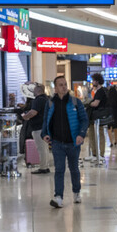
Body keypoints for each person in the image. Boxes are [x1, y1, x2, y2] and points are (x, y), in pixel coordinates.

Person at [42, 76, 88, 208]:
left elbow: (84, 120)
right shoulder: (50, 103)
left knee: (74, 168)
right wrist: (44, 134)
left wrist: (81, 134)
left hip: (73, 142)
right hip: (57, 143)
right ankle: (58, 197)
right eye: (60, 85)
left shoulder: (75, 102)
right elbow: (46, 120)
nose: (63, 87)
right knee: (59, 169)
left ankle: (76, 192)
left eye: (65, 84)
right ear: (55, 88)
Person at [21, 84, 51, 174]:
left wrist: (25, 117)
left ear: (37, 90)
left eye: (34, 90)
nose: (33, 92)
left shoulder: (38, 100)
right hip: (44, 126)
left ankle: (43, 167)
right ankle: (45, 165)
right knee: (45, 148)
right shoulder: (46, 99)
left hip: (38, 127)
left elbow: (33, 112)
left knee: (41, 148)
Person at [85, 73, 108, 164]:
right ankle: (95, 154)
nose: (92, 82)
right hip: (94, 117)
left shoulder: (100, 91)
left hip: (97, 117)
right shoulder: (99, 91)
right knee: (92, 135)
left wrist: (88, 103)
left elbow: (96, 104)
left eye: (93, 80)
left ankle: (100, 154)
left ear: (97, 81)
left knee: (99, 135)